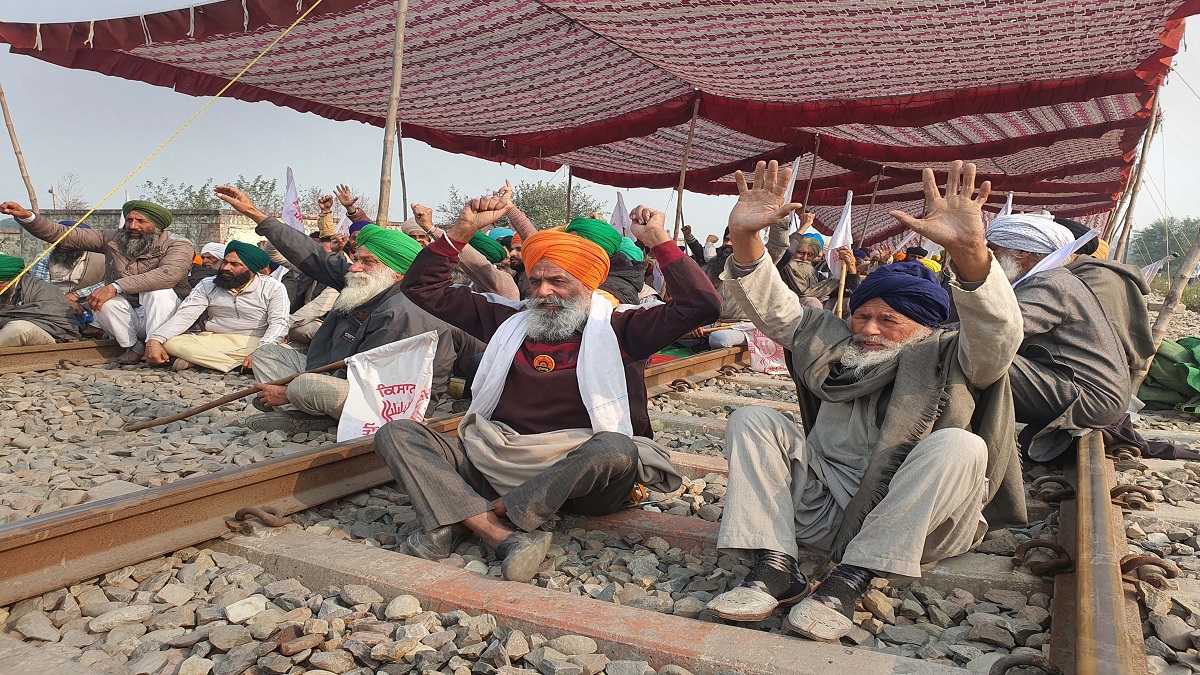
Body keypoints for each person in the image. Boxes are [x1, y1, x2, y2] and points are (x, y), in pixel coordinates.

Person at [705, 160, 1025, 642]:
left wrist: (971, 253)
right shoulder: (833, 345)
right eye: (863, 315)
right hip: (819, 508)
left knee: (961, 446)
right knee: (753, 418)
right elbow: (773, 307)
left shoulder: (957, 356)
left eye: (889, 319)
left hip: (920, 522)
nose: (869, 330)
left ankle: (853, 577)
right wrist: (746, 238)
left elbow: (998, 333)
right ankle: (776, 565)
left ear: (925, 325)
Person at [373, 195, 720, 582]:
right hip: (499, 456)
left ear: (587, 284)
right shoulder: (507, 320)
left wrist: (659, 240)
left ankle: (469, 514)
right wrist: (461, 232)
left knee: (617, 448)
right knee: (398, 433)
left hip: (583, 481)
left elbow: (702, 306)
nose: (543, 292)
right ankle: (498, 532)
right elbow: (424, 289)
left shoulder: (623, 328)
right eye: (535, 281)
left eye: (558, 281)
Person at [214, 185, 478, 433]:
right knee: (268, 355)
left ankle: (312, 414)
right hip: (339, 375)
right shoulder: (369, 281)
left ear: (398, 273)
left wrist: (288, 391)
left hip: (385, 398)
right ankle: (312, 412)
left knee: (306, 386)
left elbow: (374, 381)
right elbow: (312, 255)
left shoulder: (404, 313)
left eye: (366, 261)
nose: (353, 267)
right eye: (356, 259)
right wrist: (256, 214)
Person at [986, 213, 1131, 462]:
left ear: (1021, 254)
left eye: (993, 249)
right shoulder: (1051, 278)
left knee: (971, 354)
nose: (988, 257)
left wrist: (925, 334)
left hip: (1090, 398)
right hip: (1086, 391)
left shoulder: (1049, 283)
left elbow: (997, 331)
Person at [1, 199, 192, 364]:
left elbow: (168, 274)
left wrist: (115, 287)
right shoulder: (113, 238)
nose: (133, 226)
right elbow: (64, 234)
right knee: (101, 301)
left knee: (158, 293)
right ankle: (134, 347)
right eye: (129, 220)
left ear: (158, 227)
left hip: (168, 314)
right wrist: (27, 217)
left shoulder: (179, 245)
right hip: (132, 312)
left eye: (141, 221)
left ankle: (158, 345)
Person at [143, 241, 290, 372]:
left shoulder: (273, 288)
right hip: (215, 339)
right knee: (170, 343)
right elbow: (185, 315)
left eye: (234, 265)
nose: (226, 268)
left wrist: (262, 350)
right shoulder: (207, 284)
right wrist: (155, 340)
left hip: (254, 340)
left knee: (280, 349)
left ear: (251, 269)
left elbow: (279, 322)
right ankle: (237, 366)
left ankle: (200, 361)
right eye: (225, 262)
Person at [0, 255, 82, 346]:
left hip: (53, 336)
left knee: (19, 328)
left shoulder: (43, 290)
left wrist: (3, 320)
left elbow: (58, 326)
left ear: (8, 281)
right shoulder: (6, 292)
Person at [29, 221, 106, 295]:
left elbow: (108, 282)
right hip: (53, 301)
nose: (68, 244)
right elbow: (42, 287)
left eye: (74, 241)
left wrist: (77, 295)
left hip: (88, 299)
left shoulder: (101, 258)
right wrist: (65, 300)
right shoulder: (44, 257)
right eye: (65, 240)